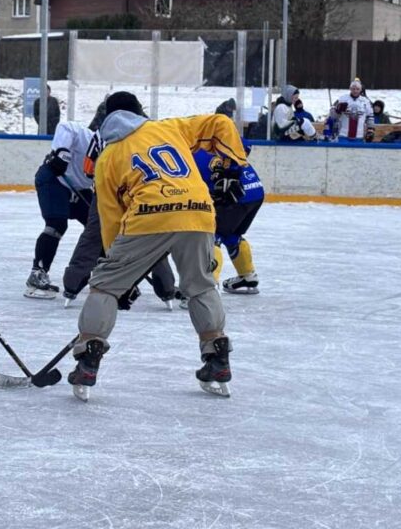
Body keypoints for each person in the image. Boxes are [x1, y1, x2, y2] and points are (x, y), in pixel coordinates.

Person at [67, 91, 248, 400]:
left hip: (147, 215)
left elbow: (111, 220)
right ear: (140, 113)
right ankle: (217, 354)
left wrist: (119, 277)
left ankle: (89, 355)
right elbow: (220, 123)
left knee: (105, 287)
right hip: (198, 212)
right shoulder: (168, 127)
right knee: (201, 286)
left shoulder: (107, 157)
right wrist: (232, 166)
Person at [62, 102, 176, 309]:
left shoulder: (101, 134)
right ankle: (167, 289)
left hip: (107, 194)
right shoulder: (152, 132)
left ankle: (72, 286)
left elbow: (88, 169)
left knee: (93, 237)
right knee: (150, 238)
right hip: (142, 192)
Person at [25, 116, 95, 298]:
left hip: (80, 187)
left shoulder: (120, 155)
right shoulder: (91, 138)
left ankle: (108, 275)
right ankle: (37, 274)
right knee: (57, 224)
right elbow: (66, 126)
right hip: (54, 179)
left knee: (100, 227)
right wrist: (62, 152)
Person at [193, 147, 264, 294]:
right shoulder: (213, 136)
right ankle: (247, 277)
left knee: (212, 235)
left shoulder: (192, 150)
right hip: (255, 190)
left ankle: (207, 287)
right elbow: (244, 145)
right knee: (231, 235)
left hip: (235, 195)